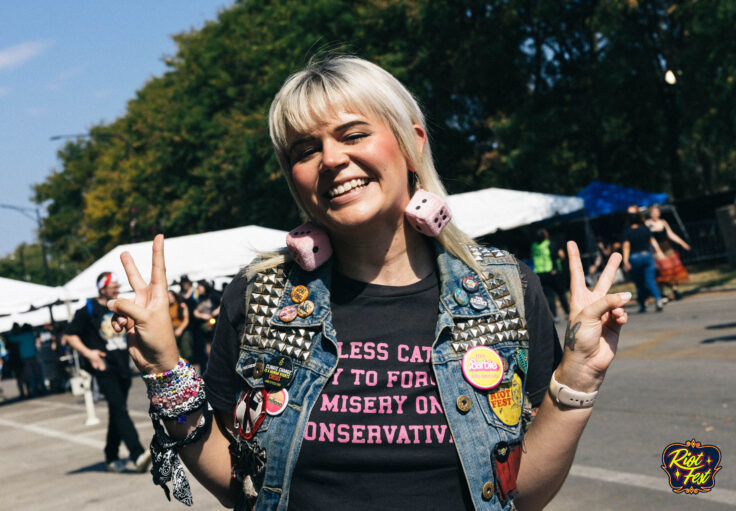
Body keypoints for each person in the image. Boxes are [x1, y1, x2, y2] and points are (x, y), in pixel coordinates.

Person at [107, 56, 631, 510]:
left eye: (354, 134)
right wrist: (162, 370)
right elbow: (239, 485)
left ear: (411, 143)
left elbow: (523, 495)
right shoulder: (259, 297)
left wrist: (579, 378)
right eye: (304, 150)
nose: (332, 159)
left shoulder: (503, 289)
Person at [62, 271, 151, 474]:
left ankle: (111, 456)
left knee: (116, 411)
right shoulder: (88, 310)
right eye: (113, 286)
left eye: (118, 286)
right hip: (103, 368)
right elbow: (70, 336)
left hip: (122, 367)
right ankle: (137, 454)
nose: (117, 289)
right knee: (119, 409)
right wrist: (90, 354)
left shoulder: (119, 306)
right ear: (102, 288)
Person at [645, 204, 691, 301]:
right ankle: (661, 293)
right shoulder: (648, 224)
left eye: (657, 212)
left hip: (667, 247)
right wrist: (658, 251)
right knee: (662, 270)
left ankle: (674, 290)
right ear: (650, 213)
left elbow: (670, 234)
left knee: (672, 269)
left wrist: (682, 243)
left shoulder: (663, 222)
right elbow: (651, 239)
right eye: (653, 212)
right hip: (656, 248)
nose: (655, 214)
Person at [622, 212, 664, 313]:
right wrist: (657, 252)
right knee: (650, 280)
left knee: (639, 283)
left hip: (634, 258)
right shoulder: (645, 229)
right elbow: (651, 242)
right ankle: (658, 300)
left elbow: (626, 247)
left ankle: (642, 305)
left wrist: (625, 261)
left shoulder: (627, 232)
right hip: (647, 256)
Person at [530, 228, 570, 322]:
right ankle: (568, 313)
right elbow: (562, 255)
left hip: (541, 273)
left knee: (549, 296)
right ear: (546, 235)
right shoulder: (550, 244)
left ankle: (555, 317)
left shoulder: (534, 246)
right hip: (553, 272)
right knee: (561, 293)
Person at [169, 290, 191, 361]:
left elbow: (186, 319)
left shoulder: (181, 305)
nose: (169, 298)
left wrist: (180, 329)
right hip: (171, 330)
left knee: (185, 350)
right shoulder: (166, 308)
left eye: (171, 296)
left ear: (174, 296)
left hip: (181, 328)